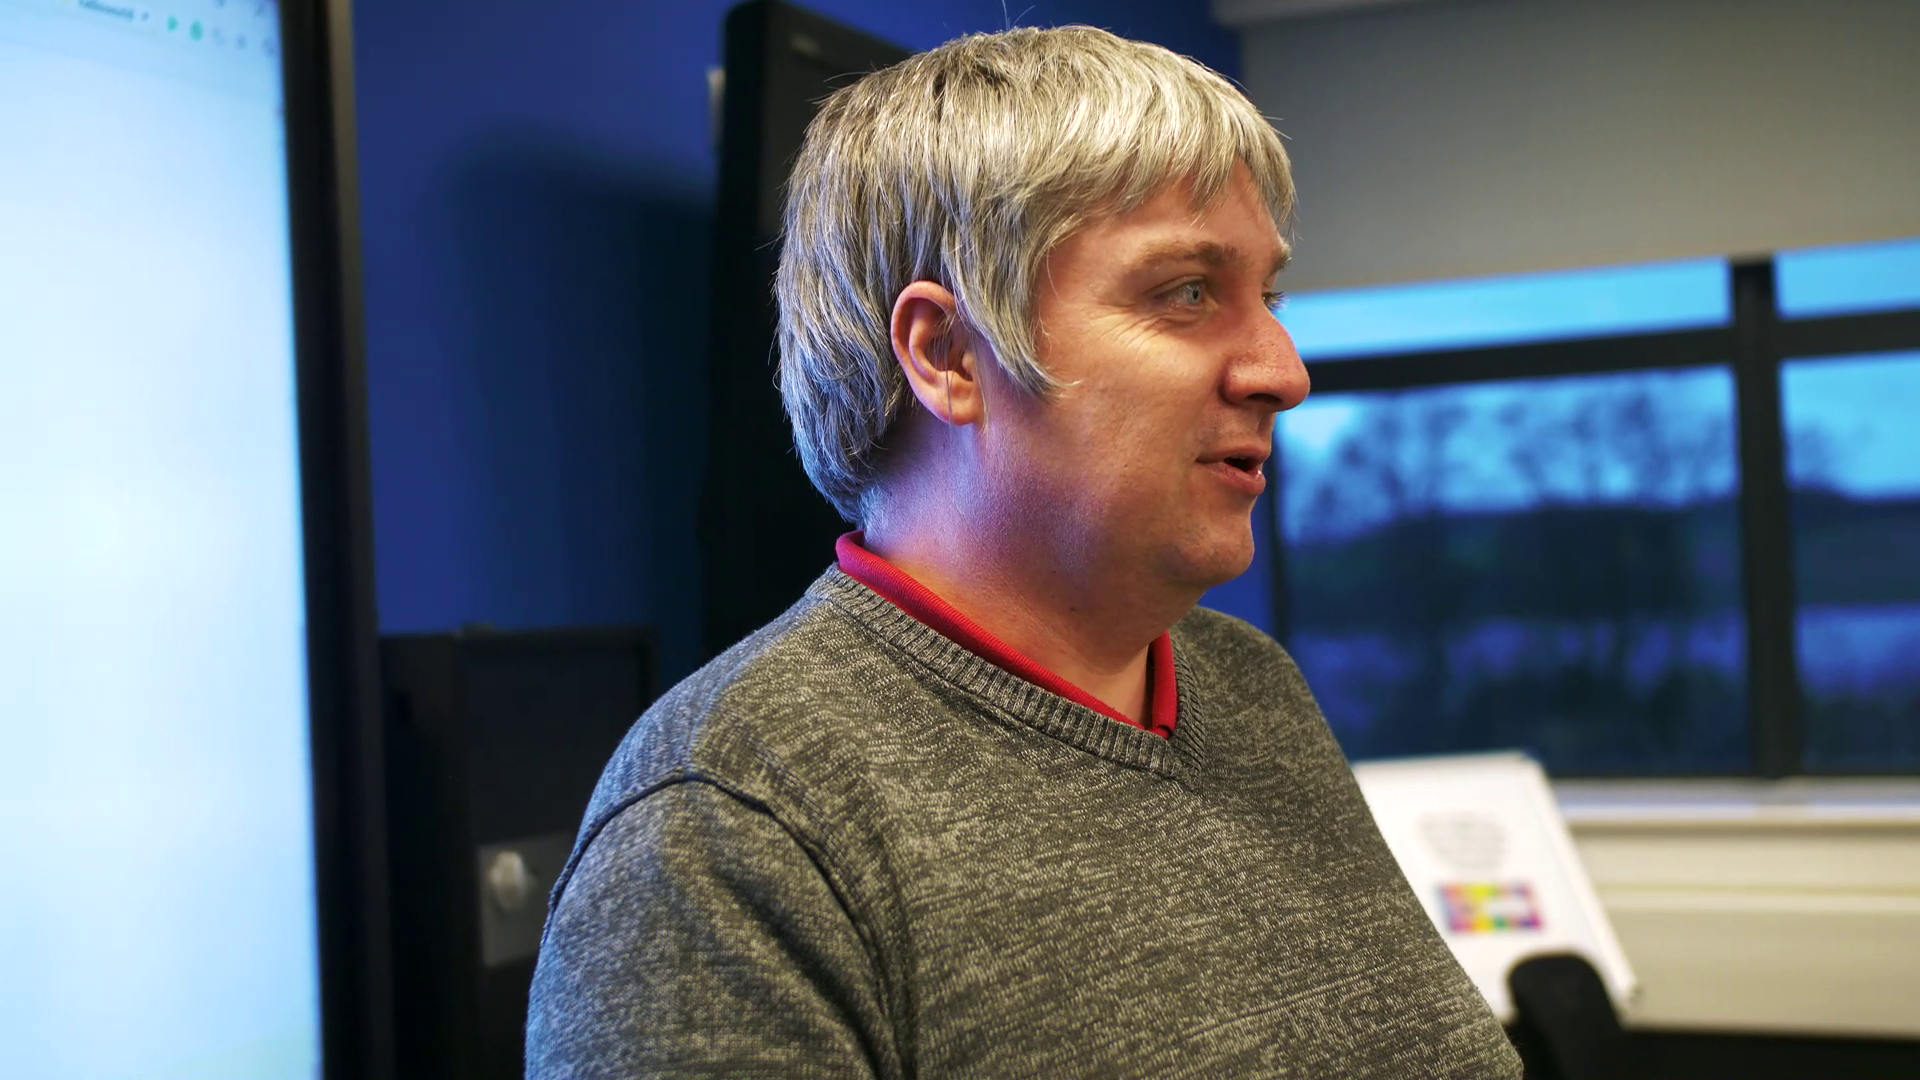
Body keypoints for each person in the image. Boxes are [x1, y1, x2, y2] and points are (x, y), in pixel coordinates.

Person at [525, 25, 1521, 1079]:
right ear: (948, 355)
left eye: (1266, 298)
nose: (1282, 369)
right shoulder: (728, 826)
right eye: (1187, 292)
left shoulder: (1251, 688)